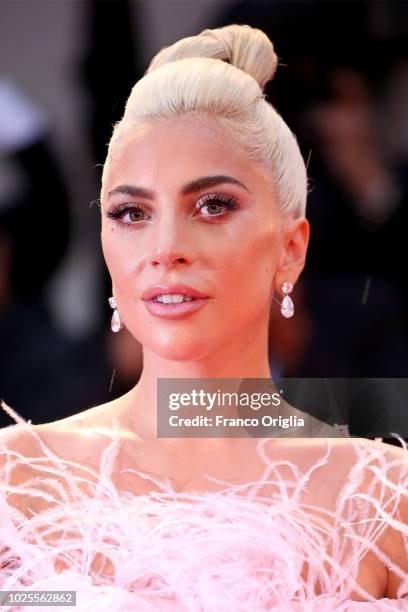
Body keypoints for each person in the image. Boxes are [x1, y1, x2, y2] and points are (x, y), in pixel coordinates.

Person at [0, 24, 407, 610]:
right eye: (132, 212)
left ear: (291, 248)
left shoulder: (385, 498)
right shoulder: (18, 482)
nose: (166, 246)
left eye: (213, 206)